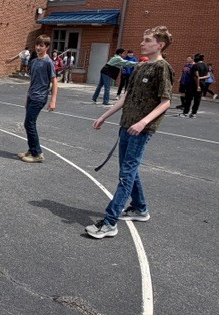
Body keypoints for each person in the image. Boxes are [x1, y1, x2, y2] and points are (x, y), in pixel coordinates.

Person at [86, 26, 174, 239]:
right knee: (129, 170)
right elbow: (126, 97)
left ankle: (109, 222)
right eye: (143, 40)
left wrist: (143, 123)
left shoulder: (162, 68)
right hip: (126, 125)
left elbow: (165, 102)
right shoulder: (140, 67)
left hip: (140, 129)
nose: (142, 43)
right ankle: (140, 208)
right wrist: (104, 116)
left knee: (126, 175)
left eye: (147, 40)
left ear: (159, 45)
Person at [17, 35, 57, 163]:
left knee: (29, 123)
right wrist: (27, 97)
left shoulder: (48, 62)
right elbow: (32, 81)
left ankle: (37, 153)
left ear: (47, 47)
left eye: (42, 45)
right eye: (37, 45)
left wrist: (53, 100)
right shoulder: (34, 61)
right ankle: (32, 149)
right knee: (28, 124)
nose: (38, 47)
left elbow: (54, 82)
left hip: (39, 98)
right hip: (32, 96)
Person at [180, 53, 209, 119]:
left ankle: (185, 113)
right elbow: (208, 75)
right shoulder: (206, 66)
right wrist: (201, 78)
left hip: (193, 84)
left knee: (188, 99)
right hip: (202, 84)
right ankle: (193, 113)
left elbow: (196, 76)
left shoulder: (195, 66)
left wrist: (198, 85)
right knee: (197, 100)